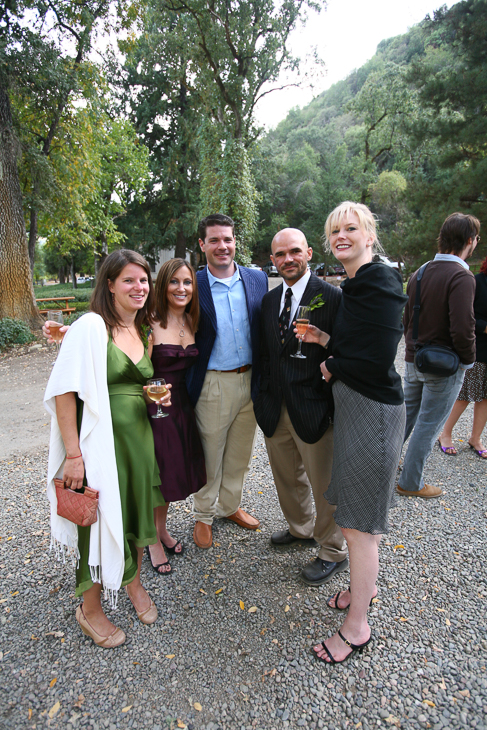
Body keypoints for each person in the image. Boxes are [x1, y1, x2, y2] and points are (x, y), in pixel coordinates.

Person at [44, 250, 171, 647]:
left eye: (144, 280)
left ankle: (131, 581)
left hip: (139, 442)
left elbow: (138, 383)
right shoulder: (90, 326)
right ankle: (90, 606)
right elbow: (64, 389)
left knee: (133, 510)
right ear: (110, 284)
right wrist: (74, 454)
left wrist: (155, 397)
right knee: (95, 519)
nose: (139, 287)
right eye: (129, 280)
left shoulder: (142, 330)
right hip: (100, 443)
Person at [301, 202, 407, 664]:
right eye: (334, 230)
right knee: (355, 513)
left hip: (372, 412)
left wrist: (332, 363)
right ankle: (364, 590)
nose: (341, 235)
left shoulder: (380, 280)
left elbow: (378, 354)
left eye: (351, 228)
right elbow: (356, 341)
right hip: (357, 407)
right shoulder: (358, 283)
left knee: (357, 525)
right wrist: (326, 344)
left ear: (370, 234)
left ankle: (356, 627)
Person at [254, 228, 348, 586]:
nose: (287, 259)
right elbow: (265, 353)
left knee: (324, 484)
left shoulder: (332, 297)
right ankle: (301, 528)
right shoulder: (268, 301)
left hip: (313, 407)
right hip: (275, 407)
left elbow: (343, 349)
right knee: (287, 477)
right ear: (273, 260)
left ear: (308, 253)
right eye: (279, 254)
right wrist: (262, 397)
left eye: (294, 251)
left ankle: (332, 550)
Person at [187, 214, 268, 549]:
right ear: (203, 245)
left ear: (236, 242)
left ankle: (230, 506)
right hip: (213, 383)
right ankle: (203, 515)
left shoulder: (256, 278)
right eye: (215, 240)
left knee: (240, 454)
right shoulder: (191, 283)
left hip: (251, 380)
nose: (223, 246)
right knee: (210, 454)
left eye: (228, 239)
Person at [397, 213, 478, 498]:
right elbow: (463, 328)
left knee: (405, 418)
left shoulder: (420, 271)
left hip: (413, 358)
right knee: (428, 426)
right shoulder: (462, 276)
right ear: (469, 241)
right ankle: (410, 482)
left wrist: (411, 350)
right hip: (444, 365)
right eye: (476, 239)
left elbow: (407, 318)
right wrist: (468, 361)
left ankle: (383, 468)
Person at [146, 258, 207, 573]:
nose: (181, 288)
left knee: (171, 473)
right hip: (155, 408)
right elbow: (135, 369)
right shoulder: (149, 321)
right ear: (163, 285)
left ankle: (162, 529)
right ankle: (152, 540)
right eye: (174, 282)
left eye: (187, 282)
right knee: (156, 476)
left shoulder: (192, 321)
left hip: (182, 406)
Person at [438, 252, 487, 459]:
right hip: (478, 349)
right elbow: (464, 316)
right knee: (465, 395)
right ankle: (445, 434)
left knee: (485, 397)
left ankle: (475, 438)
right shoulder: (477, 281)